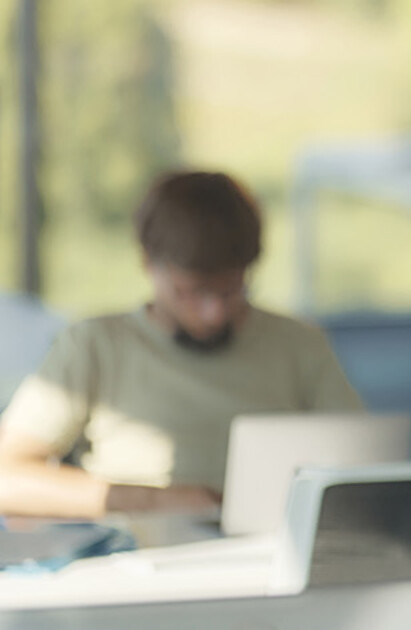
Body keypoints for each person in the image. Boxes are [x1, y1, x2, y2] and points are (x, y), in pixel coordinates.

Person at [0, 171, 362, 520]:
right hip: (140, 558)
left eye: (231, 290)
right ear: (147, 263)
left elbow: (363, 465)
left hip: (271, 553)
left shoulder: (299, 344)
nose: (213, 314)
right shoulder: (93, 345)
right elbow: (8, 480)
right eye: (190, 293)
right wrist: (159, 502)